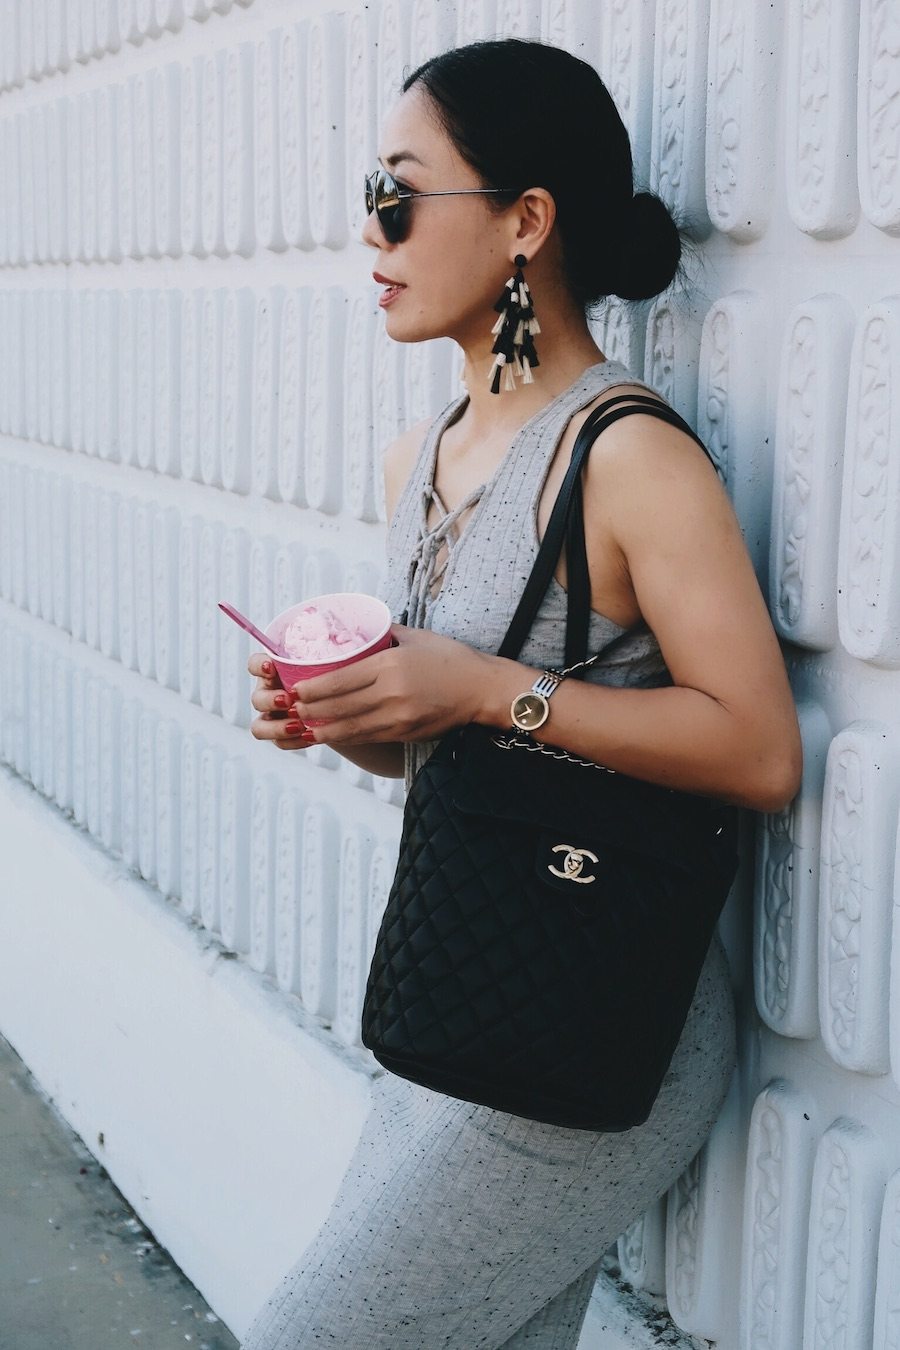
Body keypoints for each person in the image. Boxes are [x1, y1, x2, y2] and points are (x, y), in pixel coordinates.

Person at [242, 38, 801, 1349]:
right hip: (458, 1004)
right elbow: (452, 753)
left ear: (524, 222)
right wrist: (353, 719)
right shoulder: (418, 455)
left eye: (399, 196)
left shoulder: (628, 456)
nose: (370, 234)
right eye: (367, 198)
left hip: (593, 1033)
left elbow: (761, 748)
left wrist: (492, 689)